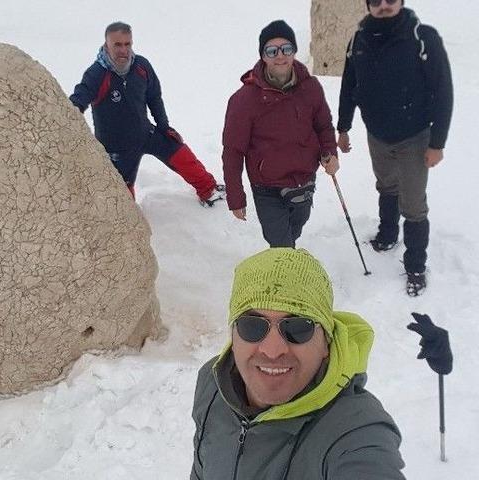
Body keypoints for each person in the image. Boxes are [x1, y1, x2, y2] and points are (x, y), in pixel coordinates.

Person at [190, 248, 405, 479]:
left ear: (326, 343)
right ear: (233, 335)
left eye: (298, 328)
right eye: (252, 326)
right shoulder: (213, 385)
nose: (272, 351)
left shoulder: (354, 430)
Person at [337, 0, 453, 296]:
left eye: (390, 0)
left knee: (413, 203)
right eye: (376, 1)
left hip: (414, 137)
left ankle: (415, 265)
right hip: (376, 134)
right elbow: (350, 83)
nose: (384, 6)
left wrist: (437, 143)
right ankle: (388, 233)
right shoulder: (359, 38)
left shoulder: (422, 37)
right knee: (386, 185)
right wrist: (343, 125)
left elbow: (443, 91)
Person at [70, 22, 225, 206]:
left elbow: (154, 97)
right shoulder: (96, 74)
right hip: (116, 148)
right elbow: (76, 103)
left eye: (127, 44)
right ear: (106, 45)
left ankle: (208, 190)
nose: (123, 50)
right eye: (117, 45)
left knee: (180, 153)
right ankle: (127, 225)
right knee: (121, 203)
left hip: (145, 133)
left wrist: (164, 126)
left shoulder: (141, 66)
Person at [222, 20, 339, 248]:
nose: (280, 56)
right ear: (263, 56)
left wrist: (330, 153)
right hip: (268, 187)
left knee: (295, 230)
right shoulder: (244, 100)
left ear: (294, 51)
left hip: (304, 179)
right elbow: (233, 151)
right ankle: (286, 276)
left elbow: (324, 126)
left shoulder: (311, 88)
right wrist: (235, 196)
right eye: (272, 50)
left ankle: (287, 263)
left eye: (286, 49)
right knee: (281, 246)